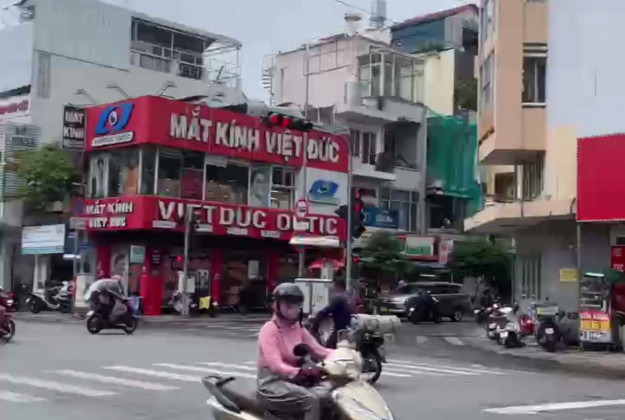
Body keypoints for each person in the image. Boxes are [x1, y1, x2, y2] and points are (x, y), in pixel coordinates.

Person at [257, 283, 332, 420]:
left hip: (295, 382)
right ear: (276, 305)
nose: (293, 308)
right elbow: (276, 365)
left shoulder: (297, 327)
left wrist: (345, 356)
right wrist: (299, 372)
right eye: (288, 304)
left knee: (328, 395)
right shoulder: (269, 330)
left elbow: (318, 350)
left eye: (297, 304)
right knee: (311, 400)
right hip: (272, 385)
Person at [312, 279, 353, 348]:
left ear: (338, 286)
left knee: (328, 347)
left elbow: (326, 311)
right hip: (348, 327)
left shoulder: (339, 297)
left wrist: (314, 328)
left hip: (340, 328)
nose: (334, 289)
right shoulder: (348, 297)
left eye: (334, 287)